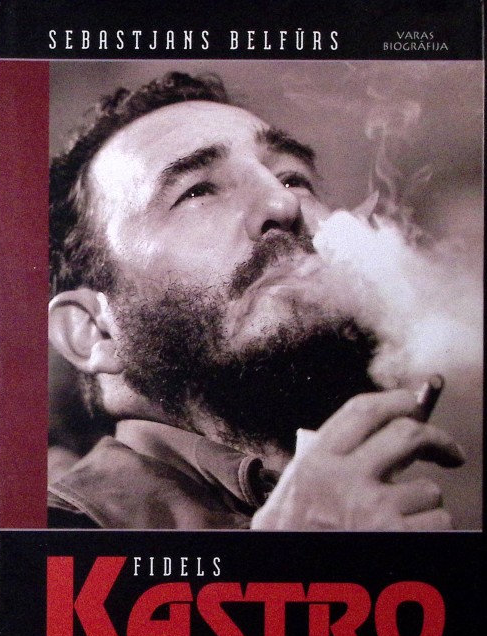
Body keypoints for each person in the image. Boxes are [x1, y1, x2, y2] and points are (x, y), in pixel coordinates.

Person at [47, 71, 464, 530]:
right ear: (94, 331)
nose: (283, 205)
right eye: (197, 191)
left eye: (293, 179)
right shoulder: (52, 532)